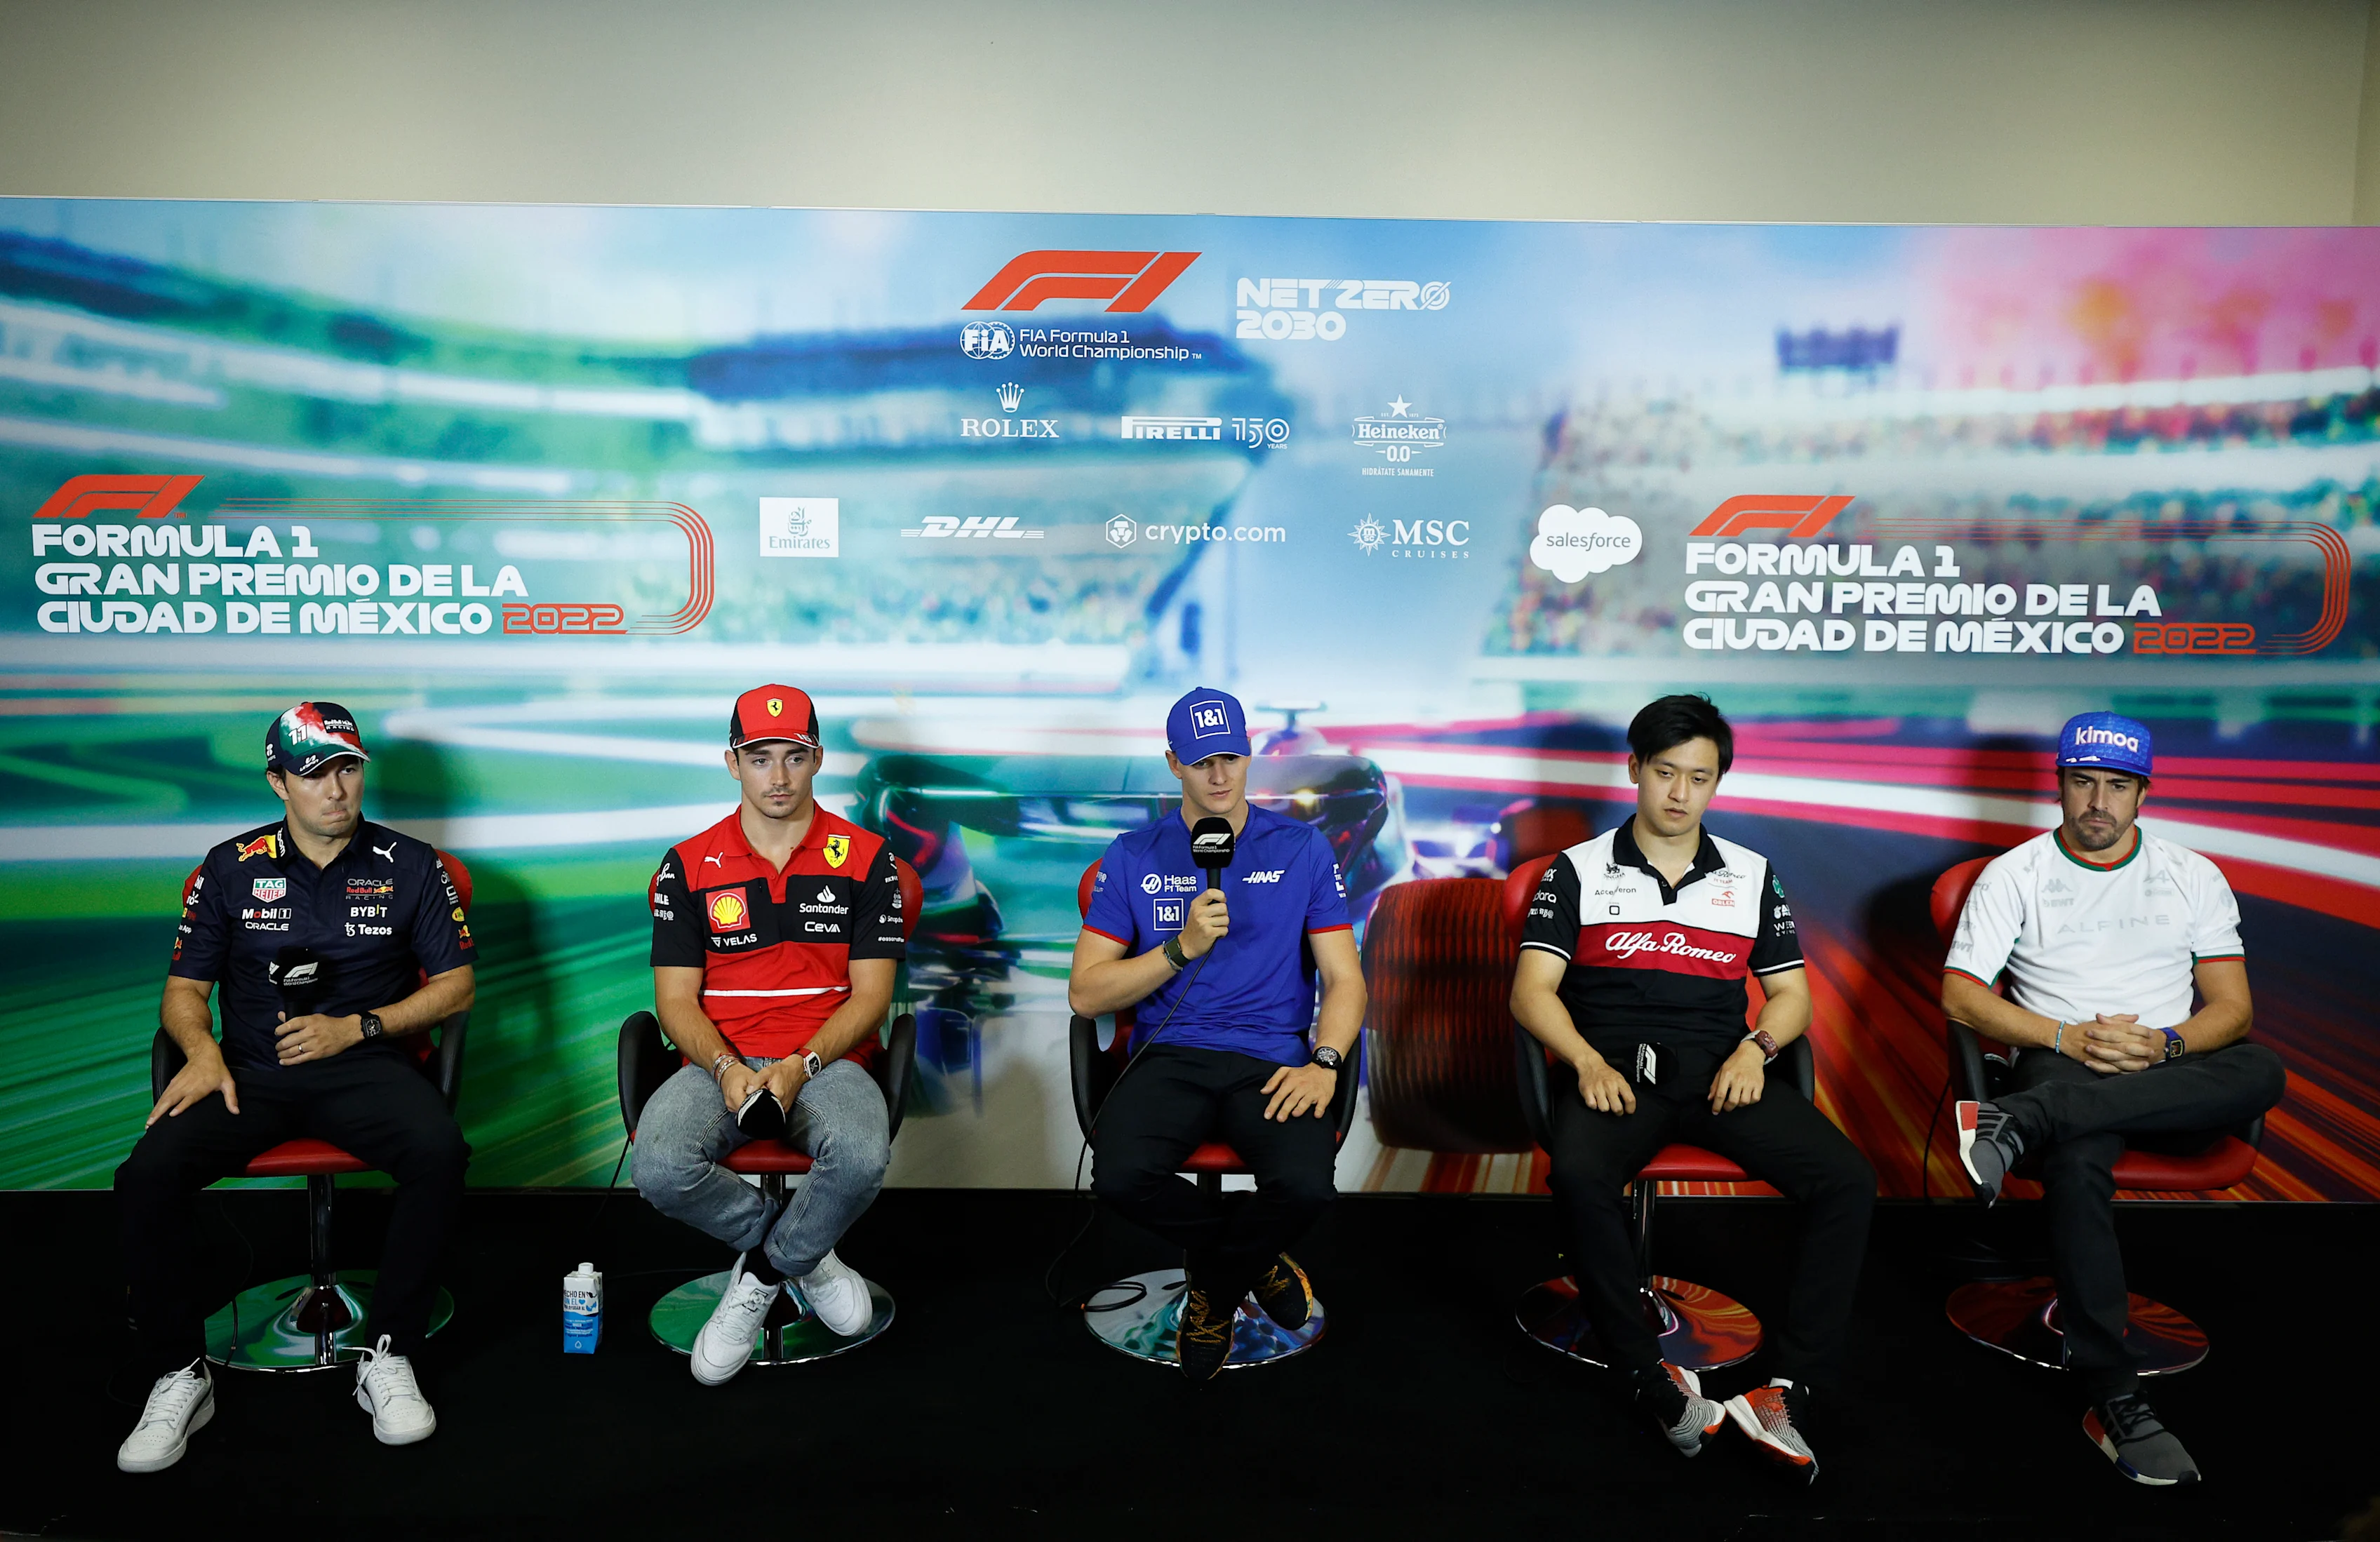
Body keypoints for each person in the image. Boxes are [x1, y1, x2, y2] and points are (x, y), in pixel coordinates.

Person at [1510, 694, 1874, 1480]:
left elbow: (1790, 995)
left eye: (1698, 777)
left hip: (1721, 1073)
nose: (1678, 794)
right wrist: (1583, 1061)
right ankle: (1649, 1376)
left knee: (1845, 1178)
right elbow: (1531, 991)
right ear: (1634, 770)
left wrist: (1757, 1050)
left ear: (1717, 783)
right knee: (1577, 1171)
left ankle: (1785, 1388)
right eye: (1664, 772)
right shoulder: (1572, 869)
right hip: (1612, 1072)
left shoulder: (1750, 874)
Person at [114, 703, 475, 1472]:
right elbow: (182, 989)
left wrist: (362, 1027)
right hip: (249, 1071)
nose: (337, 789)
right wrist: (201, 1050)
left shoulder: (411, 863)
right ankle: (180, 1372)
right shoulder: (229, 864)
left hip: (366, 1064)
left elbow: (456, 988)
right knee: (144, 1175)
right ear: (278, 781)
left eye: (348, 768)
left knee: (440, 1149)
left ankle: (388, 1353)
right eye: (314, 774)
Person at [1946, 711, 2284, 1487]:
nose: (2097, 800)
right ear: (2060, 783)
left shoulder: (2190, 872)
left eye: (2116, 784)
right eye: (2082, 780)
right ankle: (2111, 1391)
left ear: (2142, 792)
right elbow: (1961, 996)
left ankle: (2018, 1123)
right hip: (2061, 1063)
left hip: (2163, 1069)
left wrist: (2162, 1044)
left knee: (2259, 1067)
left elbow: (2230, 1009)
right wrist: (2066, 1037)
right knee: (2075, 1157)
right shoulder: (2015, 872)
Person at [1067, 687, 1366, 1381]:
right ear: (1173, 762)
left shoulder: (1301, 848)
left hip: (1272, 1055)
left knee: (1306, 1187)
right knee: (1117, 1177)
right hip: (1169, 1053)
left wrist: (1324, 1061)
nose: (1219, 775)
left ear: (1248, 754)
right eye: (1202, 760)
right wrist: (1177, 948)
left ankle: (1213, 1283)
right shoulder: (1134, 853)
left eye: (1230, 756)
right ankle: (1250, 1261)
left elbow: (1344, 980)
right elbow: (1085, 991)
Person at [637, 685, 906, 1385]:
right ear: (733, 763)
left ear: (817, 757)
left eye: (793, 756)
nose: (778, 776)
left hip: (829, 1058)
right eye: (760, 757)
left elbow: (873, 995)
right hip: (715, 1060)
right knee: (661, 1166)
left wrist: (798, 1065)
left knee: (859, 1152)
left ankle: (757, 1275)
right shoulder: (687, 862)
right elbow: (674, 1001)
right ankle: (804, 1254)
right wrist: (728, 1068)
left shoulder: (866, 856)